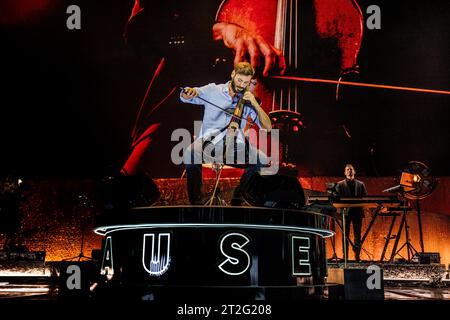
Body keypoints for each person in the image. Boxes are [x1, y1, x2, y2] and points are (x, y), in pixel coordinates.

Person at [180, 62, 272, 205]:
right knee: (190, 152)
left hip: (234, 146)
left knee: (262, 160)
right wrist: (188, 92)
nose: (241, 85)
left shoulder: (247, 100)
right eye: (239, 80)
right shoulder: (213, 90)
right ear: (233, 74)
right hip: (209, 143)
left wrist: (254, 103)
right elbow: (189, 96)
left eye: (246, 82)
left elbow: (267, 127)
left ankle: (239, 195)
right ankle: (197, 201)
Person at [336, 164, 367, 261]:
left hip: (357, 212)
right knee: (345, 235)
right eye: (347, 170)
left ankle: (357, 256)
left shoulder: (361, 184)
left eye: (351, 169)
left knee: (358, 235)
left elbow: (365, 197)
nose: (349, 171)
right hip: (345, 213)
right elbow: (337, 198)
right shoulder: (340, 184)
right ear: (345, 173)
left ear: (354, 172)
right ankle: (345, 257)